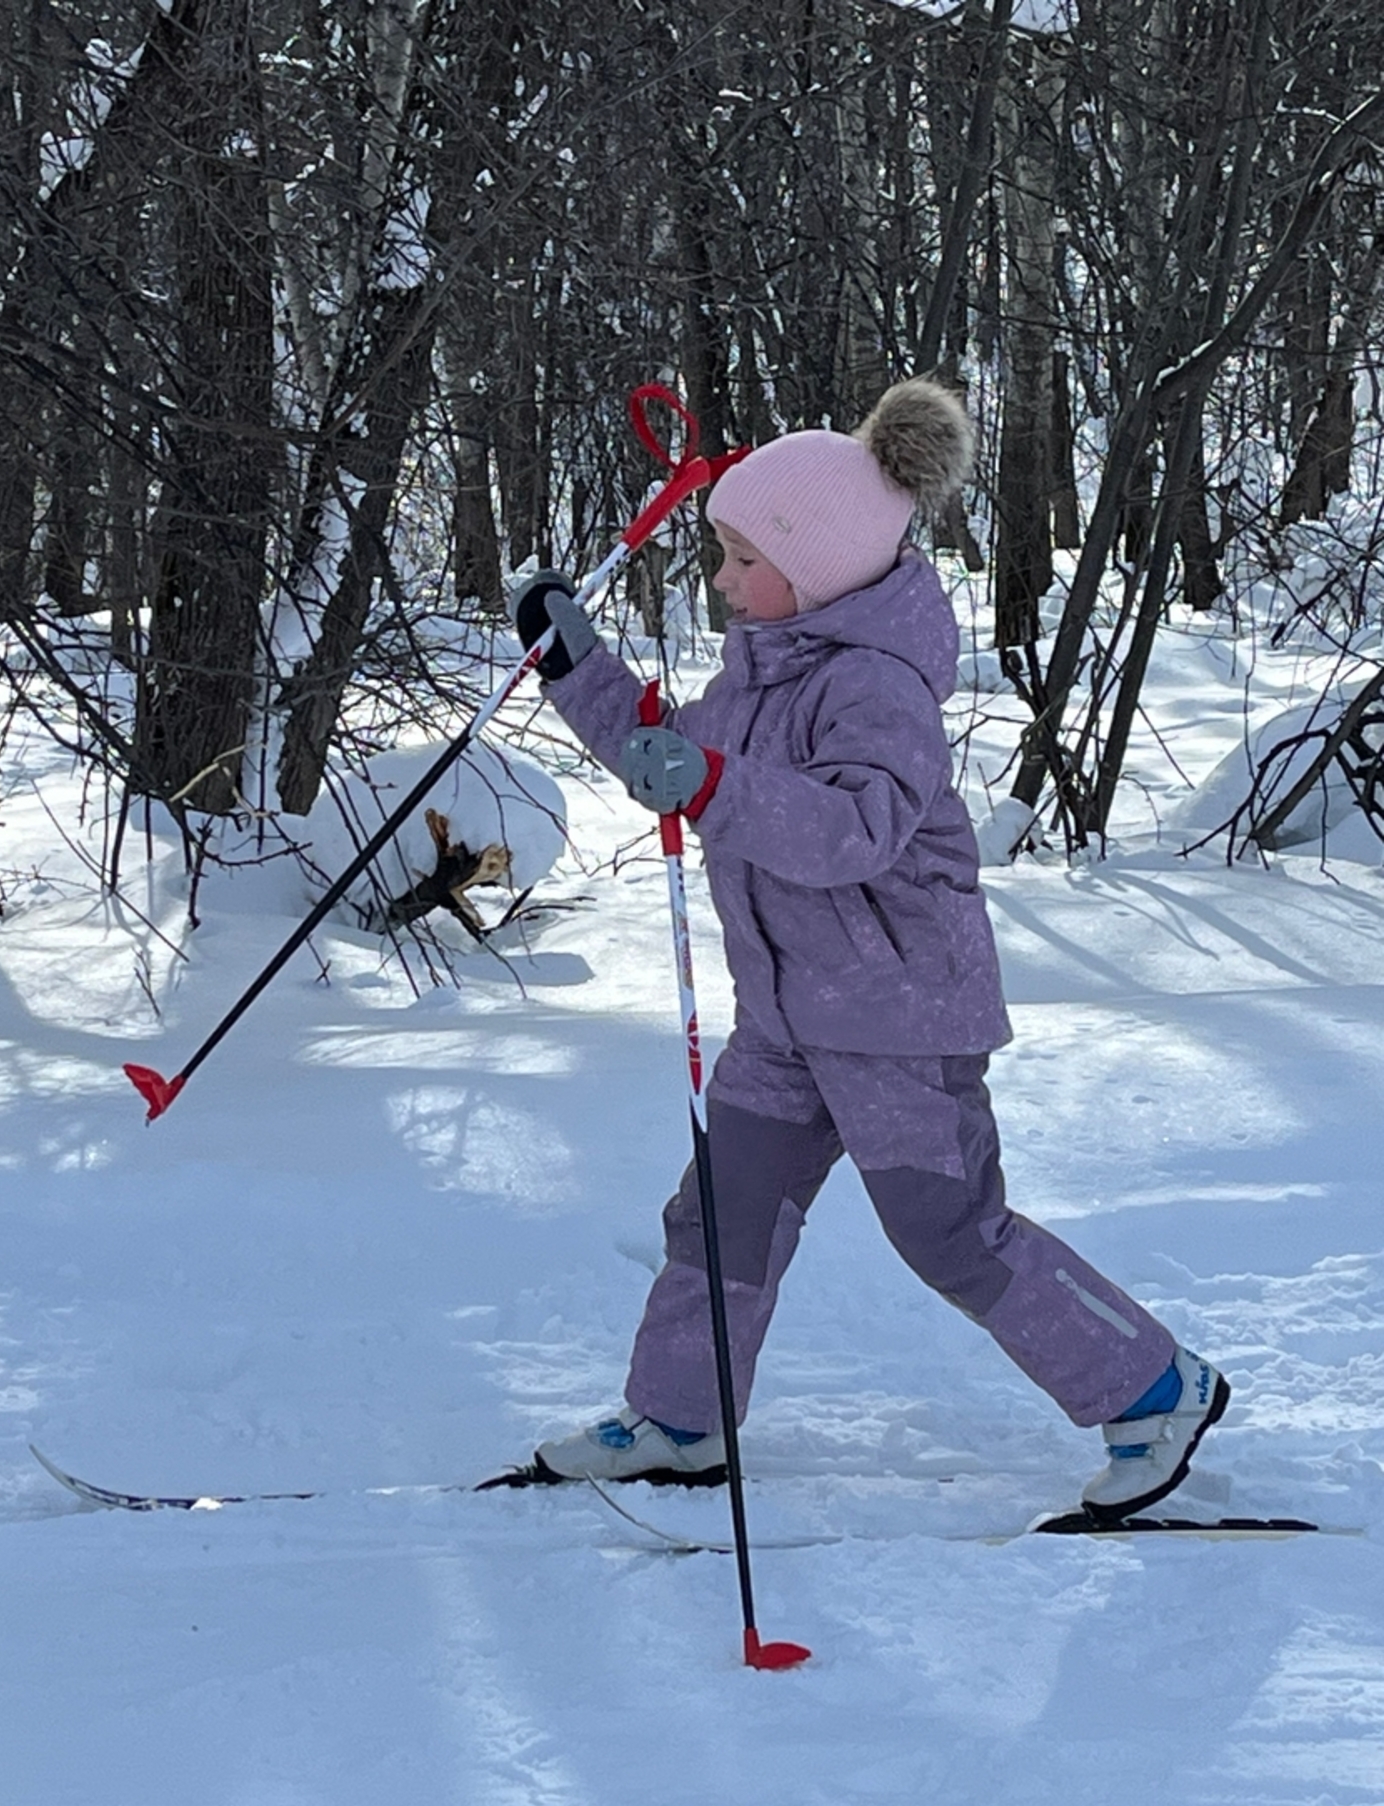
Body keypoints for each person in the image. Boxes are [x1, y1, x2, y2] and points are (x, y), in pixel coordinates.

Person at [509, 380, 1228, 1522]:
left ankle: (1153, 1386)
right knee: (719, 1217)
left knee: (950, 1232)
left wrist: (708, 784)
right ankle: (679, 1422)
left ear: (819, 564)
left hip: (899, 1024)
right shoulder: (764, 666)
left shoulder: (874, 687)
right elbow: (674, 752)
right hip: (788, 1023)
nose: (721, 579)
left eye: (740, 557)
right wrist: (574, 667)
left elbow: (852, 830)